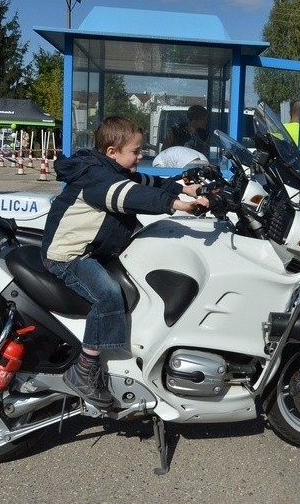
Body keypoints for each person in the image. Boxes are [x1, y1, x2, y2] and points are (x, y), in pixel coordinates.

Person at [42, 116, 208, 408]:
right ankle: (83, 370)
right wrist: (179, 206)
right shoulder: (97, 177)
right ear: (111, 152)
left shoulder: (114, 170)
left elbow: (148, 182)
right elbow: (130, 195)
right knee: (107, 295)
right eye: (135, 151)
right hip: (69, 256)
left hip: (95, 251)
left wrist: (185, 188)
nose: (140, 155)